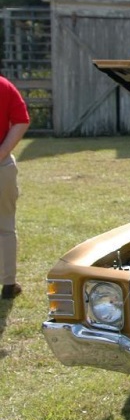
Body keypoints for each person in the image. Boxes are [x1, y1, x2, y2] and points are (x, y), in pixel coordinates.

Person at [0, 74, 30, 299]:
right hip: (2, 164)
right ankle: (8, 284)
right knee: (5, 224)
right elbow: (21, 120)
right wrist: (2, 152)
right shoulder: (3, 85)